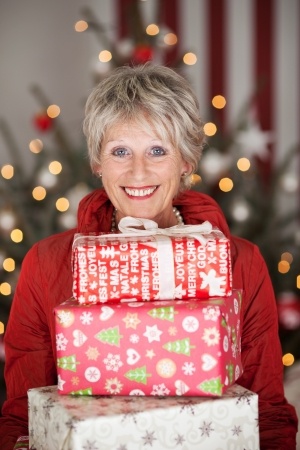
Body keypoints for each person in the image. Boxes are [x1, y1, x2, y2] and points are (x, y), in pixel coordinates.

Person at [0, 63, 298, 449]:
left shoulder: (240, 261)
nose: (138, 171)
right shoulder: (47, 262)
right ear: (97, 162)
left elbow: (267, 414)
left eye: (157, 150)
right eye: (120, 151)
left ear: (186, 161)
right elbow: (25, 415)